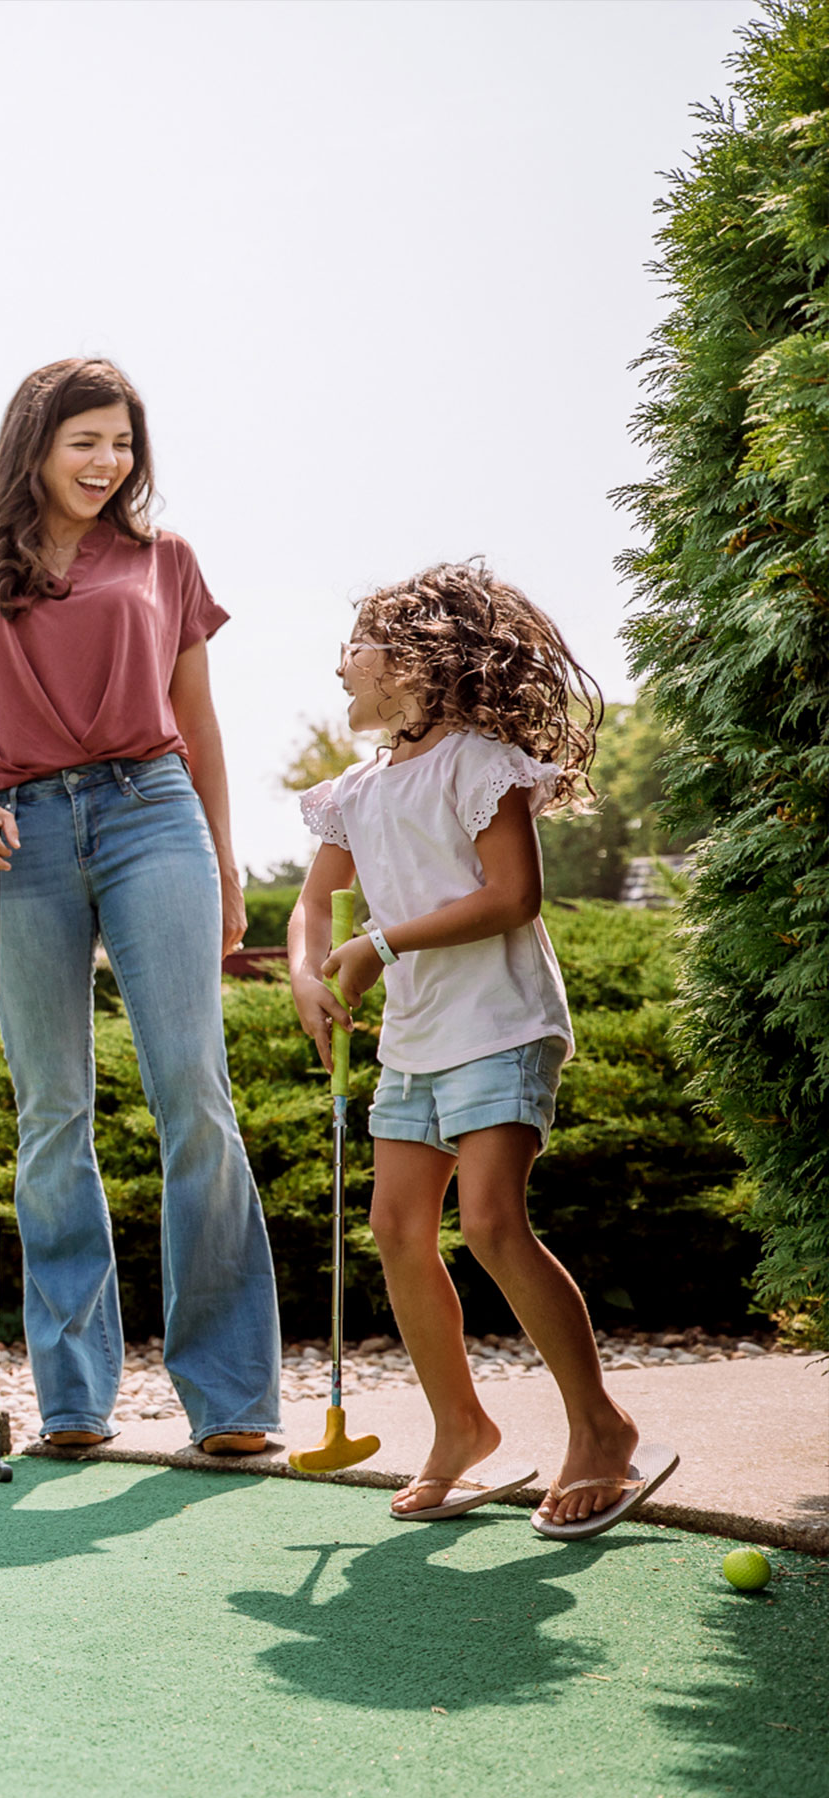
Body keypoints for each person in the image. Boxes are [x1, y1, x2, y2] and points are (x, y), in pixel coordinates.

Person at [0, 357, 283, 1455]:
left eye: (122, 442)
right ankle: (73, 1399)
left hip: (149, 813)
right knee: (54, 1115)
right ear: (34, 445)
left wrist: (224, 863)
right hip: (14, 835)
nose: (107, 461)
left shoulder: (163, 560)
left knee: (192, 1094)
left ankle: (229, 1401)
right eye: (86, 441)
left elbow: (199, 723)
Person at [288, 561, 670, 1536]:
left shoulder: (479, 764)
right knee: (397, 1229)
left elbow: (512, 897)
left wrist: (379, 944)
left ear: (414, 661)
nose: (340, 665)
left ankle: (602, 1429)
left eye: (357, 644)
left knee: (495, 1223)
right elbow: (311, 903)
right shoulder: (356, 792)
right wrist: (305, 970)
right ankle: (460, 1427)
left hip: (500, 1021)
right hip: (417, 1038)